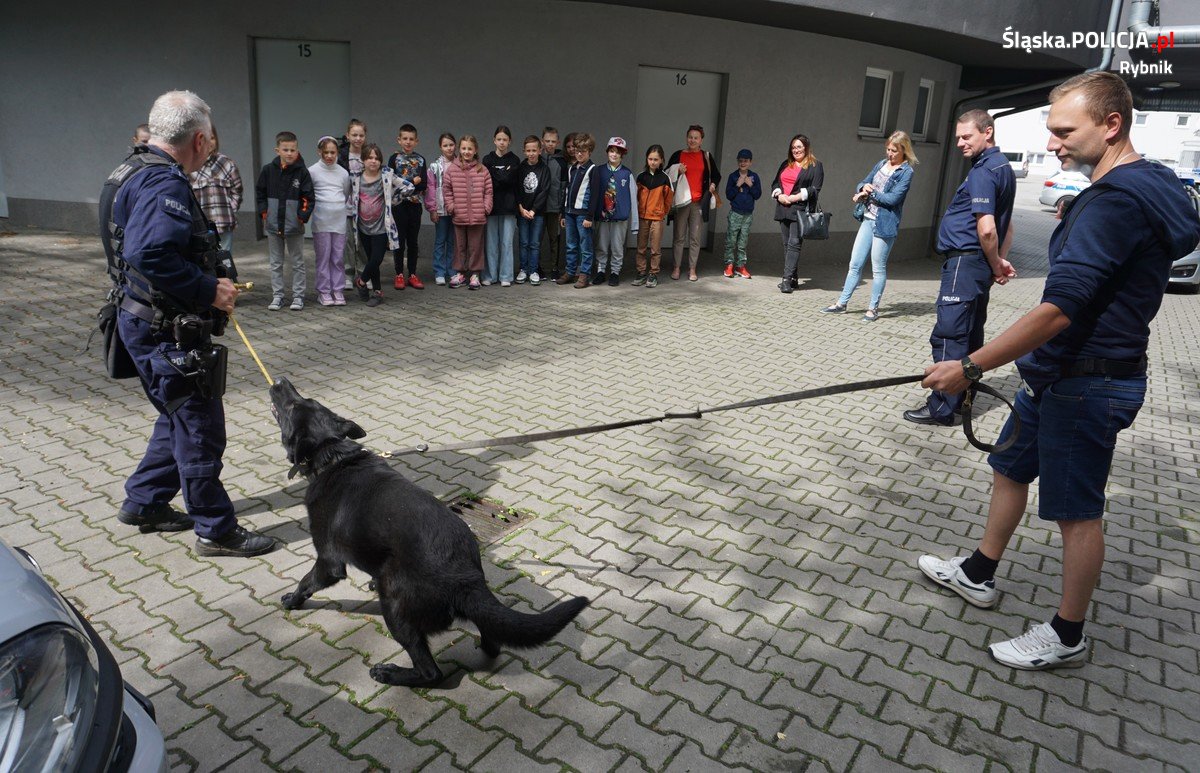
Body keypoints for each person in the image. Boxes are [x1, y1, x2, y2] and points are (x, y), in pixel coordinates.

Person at [917, 72, 1200, 670]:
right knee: (1010, 469)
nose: (1053, 143)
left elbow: (1058, 309)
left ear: (1112, 125)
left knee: (1076, 512)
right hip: (1058, 374)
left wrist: (968, 366)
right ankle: (978, 573)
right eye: (1051, 131)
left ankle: (1067, 634)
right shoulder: (1140, 187)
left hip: (1090, 383)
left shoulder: (1117, 202)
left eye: (1065, 131)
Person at [103, 90, 275, 557]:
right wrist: (209, 291)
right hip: (164, 330)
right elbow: (149, 252)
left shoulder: (130, 170)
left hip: (139, 319)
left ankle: (145, 501)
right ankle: (215, 530)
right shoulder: (164, 184)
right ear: (200, 139)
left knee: (175, 414)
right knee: (200, 427)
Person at [903, 110, 1016, 425]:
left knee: (950, 336)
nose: (960, 144)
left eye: (967, 136)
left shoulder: (983, 171)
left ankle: (942, 408)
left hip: (964, 263)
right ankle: (964, 399)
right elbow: (1010, 227)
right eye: (957, 138)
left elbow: (989, 229)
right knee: (970, 334)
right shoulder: (1004, 167)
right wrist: (998, 262)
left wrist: (996, 262)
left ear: (987, 132)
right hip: (976, 266)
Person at [823, 131, 917, 321]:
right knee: (855, 264)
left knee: (878, 268)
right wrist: (863, 188)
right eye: (888, 149)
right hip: (867, 219)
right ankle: (842, 303)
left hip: (885, 223)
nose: (889, 154)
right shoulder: (881, 164)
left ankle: (872, 309)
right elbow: (864, 181)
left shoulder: (906, 172)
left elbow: (893, 199)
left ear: (904, 151)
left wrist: (870, 193)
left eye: (894, 151)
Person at [256, 131, 313, 311]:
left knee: (297, 262)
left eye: (293, 150)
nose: (289, 153)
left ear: (297, 151)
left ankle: (298, 296)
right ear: (277, 150)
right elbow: (260, 194)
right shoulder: (268, 170)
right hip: (273, 225)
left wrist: (301, 217)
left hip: (294, 226)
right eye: (285, 149)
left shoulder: (302, 172)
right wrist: (264, 213)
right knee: (275, 262)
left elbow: (308, 197)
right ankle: (278, 296)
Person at [351, 143, 405, 307]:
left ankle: (361, 281)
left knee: (376, 259)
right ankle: (377, 292)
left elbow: (406, 187)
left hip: (381, 227)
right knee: (370, 261)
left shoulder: (386, 175)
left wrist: (392, 201)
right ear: (363, 160)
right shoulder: (356, 178)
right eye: (369, 158)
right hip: (363, 227)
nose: (373, 161)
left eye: (376, 158)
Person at [770, 134, 824, 294]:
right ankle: (793, 278)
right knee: (787, 244)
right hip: (783, 207)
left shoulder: (815, 165)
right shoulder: (786, 164)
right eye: (793, 147)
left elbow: (815, 189)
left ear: (806, 148)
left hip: (800, 208)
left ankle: (786, 280)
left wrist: (794, 197)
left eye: (799, 147)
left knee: (794, 243)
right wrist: (779, 195)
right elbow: (775, 182)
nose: (796, 150)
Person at [667, 125, 721, 281]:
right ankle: (676, 268)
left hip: (698, 202)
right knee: (678, 237)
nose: (692, 140)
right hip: (681, 202)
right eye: (690, 137)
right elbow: (665, 173)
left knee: (695, 238)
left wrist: (712, 186)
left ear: (701, 140)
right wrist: (677, 170)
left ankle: (692, 269)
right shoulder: (678, 155)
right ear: (686, 138)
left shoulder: (706, 156)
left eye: (696, 137)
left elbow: (716, 176)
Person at [443, 135, 493, 290]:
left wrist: (486, 208)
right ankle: (460, 273)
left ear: (475, 150)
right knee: (460, 246)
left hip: (478, 216)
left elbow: (489, 191)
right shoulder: (452, 169)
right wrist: (451, 207)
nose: (466, 151)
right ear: (459, 149)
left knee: (476, 246)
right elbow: (447, 190)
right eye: (463, 148)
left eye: (470, 148)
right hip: (459, 216)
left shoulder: (482, 170)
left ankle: (475, 274)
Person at [308, 136, 352, 306]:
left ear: (337, 153)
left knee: (338, 257)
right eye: (325, 152)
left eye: (332, 152)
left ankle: (338, 289)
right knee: (323, 257)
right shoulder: (312, 171)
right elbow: (309, 195)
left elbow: (345, 193)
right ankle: (324, 291)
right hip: (321, 222)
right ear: (319, 152)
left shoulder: (343, 172)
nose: (329, 155)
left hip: (339, 221)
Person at [589, 137, 638, 287]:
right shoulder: (599, 171)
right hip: (602, 216)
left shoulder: (627, 174)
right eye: (611, 151)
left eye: (618, 152)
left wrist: (634, 223)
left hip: (620, 217)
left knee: (617, 246)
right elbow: (593, 194)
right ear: (607, 152)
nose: (614, 155)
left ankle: (615, 272)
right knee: (601, 245)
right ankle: (601, 271)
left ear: (622, 155)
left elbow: (633, 199)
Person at [189, 124, 243, 254]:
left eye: (212, 138)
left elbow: (237, 190)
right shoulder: (190, 166)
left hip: (224, 224)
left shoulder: (227, 164)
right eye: (205, 138)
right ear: (198, 141)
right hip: (201, 229)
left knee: (225, 262)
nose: (210, 142)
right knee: (205, 262)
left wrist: (231, 209)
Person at [386, 123, 427, 290]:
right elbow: (391, 182)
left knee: (413, 242)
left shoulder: (421, 159)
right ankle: (399, 274)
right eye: (405, 139)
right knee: (399, 242)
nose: (408, 142)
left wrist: (409, 185)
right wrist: (411, 182)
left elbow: (423, 184)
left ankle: (412, 274)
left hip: (415, 206)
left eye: (411, 139)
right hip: (398, 206)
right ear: (399, 140)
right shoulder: (394, 159)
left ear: (416, 141)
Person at [482, 126, 521, 286]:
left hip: (509, 207)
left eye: (505, 139)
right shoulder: (487, 160)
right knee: (491, 243)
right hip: (491, 207)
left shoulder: (515, 160)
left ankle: (506, 276)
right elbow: (491, 180)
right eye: (499, 139)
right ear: (494, 140)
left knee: (507, 243)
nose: (502, 142)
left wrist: (498, 174)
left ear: (509, 141)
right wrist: (505, 173)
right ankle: (490, 275)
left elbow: (509, 180)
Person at [559, 133, 597, 288]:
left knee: (585, 246)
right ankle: (570, 272)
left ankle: (584, 275)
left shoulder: (593, 169)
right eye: (577, 150)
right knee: (570, 245)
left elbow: (595, 195)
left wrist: (589, 216)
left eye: (583, 151)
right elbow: (566, 192)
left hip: (583, 215)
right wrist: (563, 212)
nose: (580, 154)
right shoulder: (571, 169)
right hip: (569, 213)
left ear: (589, 152)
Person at [633, 144, 672, 288]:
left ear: (661, 160)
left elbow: (668, 199)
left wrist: (661, 212)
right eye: (650, 159)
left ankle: (653, 273)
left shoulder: (665, 179)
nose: (653, 162)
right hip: (643, 217)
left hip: (657, 218)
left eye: (656, 159)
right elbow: (636, 196)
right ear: (646, 159)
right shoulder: (641, 177)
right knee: (641, 247)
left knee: (655, 249)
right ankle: (641, 272)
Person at [516, 135, 550, 285]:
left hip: (538, 214)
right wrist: (521, 208)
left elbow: (544, 191)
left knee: (535, 243)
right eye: (528, 150)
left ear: (540, 151)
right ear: (524, 151)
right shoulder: (520, 168)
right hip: (522, 212)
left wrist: (534, 210)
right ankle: (523, 269)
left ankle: (534, 270)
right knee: (523, 242)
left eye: (534, 150)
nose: (531, 153)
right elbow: (516, 189)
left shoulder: (544, 169)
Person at [424, 132, 457, 286]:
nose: (449, 148)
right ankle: (439, 271)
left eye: (451, 145)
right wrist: (432, 209)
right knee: (440, 241)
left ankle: (452, 270)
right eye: (445, 145)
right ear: (440, 147)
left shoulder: (460, 164)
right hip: (441, 210)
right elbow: (430, 189)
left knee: (453, 241)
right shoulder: (434, 166)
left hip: (457, 210)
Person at [723, 148, 761, 278]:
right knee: (731, 240)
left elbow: (757, 195)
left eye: (746, 161)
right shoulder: (733, 176)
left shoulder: (754, 177)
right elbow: (729, 195)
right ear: (737, 162)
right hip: (735, 213)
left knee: (742, 242)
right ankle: (729, 265)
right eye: (740, 161)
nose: (743, 163)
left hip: (747, 214)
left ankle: (740, 266)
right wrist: (737, 185)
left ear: (750, 162)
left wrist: (750, 185)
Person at [338, 119, 368, 287]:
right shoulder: (341, 155)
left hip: (365, 205)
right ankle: (348, 274)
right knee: (348, 241)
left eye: (361, 135)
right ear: (347, 136)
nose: (358, 138)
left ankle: (364, 273)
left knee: (363, 241)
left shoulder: (369, 153)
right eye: (354, 135)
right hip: (346, 205)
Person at [539, 127, 568, 280]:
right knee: (536, 238)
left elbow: (564, 188)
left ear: (558, 142)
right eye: (547, 141)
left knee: (554, 238)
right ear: (542, 142)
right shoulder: (536, 158)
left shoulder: (562, 162)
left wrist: (562, 209)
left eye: (553, 141)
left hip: (554, 207)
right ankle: (537, 268)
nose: (550, 144)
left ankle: (554, 268)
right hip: (538, 207)